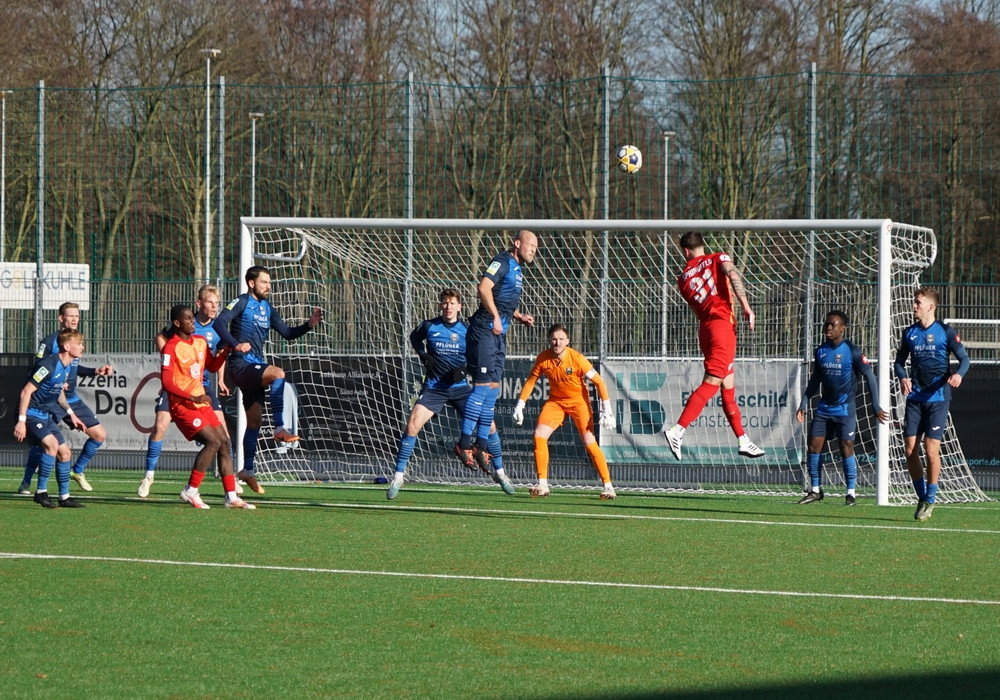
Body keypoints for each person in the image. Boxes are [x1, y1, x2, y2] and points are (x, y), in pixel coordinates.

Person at [214, 265, 324, 495]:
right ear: (251, 283)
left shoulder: (267, 308)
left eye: (270, 283)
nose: (269, 287)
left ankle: (247, 470)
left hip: (253, 367)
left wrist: (309, 325)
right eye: (264, 282)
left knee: (254, 423)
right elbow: (219, 323)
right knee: (278, 373)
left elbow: (288, 333)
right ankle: (280, 428)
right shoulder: (241, 301)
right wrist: (235, 344)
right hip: (240, 364)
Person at [386, 289, 504, 500]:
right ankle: (398, 477)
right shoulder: (430, 326)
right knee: (412, 425)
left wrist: (465, 370)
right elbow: (414, 338)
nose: (448, 307)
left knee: (490, 424)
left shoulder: (468, 330)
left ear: (459, 307)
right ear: (441, 305)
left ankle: (500, 472)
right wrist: (423, 355)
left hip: (460, 388)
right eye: (445, 303)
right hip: (434, 388)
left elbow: (477, 356)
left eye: (452, 303)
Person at [662, 231, 764, 461]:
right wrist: (746, 306)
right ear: (702, 245)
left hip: (706, 330)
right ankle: (677, 430)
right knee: (712, 382)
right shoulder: (719, 257)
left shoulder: (683, 279)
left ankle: (743, 439)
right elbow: (732, 274)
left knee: (728, 385)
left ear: (685, 251)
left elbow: (697, 308)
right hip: (722, 327)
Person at [454, 230, 538, 496]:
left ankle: (481, 446)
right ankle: (464, 444)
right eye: (531, 245)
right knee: (481, 388)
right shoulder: (501, 261)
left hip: (498, 334)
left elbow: (501, 297)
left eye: (536, 247)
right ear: (517, 243)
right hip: (484, 330)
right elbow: (484, 288)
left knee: (492, 390)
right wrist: (495, 316)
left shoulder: (517, 268)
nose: (533, 250)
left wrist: (518, 315)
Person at [137, 285, 240, 498]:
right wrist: (172, 362)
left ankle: (231, 487)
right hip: (179, 389)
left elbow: (213, 361)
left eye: (217, 303)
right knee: (160, 425)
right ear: (199, 304)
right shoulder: (181, 324)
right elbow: (161, 340)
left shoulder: (217, 329)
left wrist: (221, 374)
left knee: (223, 435)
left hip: (201, 386)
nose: (215, 307)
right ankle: (149, 476)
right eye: (210, 302)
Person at [161, 304, 253, 509]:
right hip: (183, 406)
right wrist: (192, 397)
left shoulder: (200, 342)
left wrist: (223, 354)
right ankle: (190, 490)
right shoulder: (171, 347)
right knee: (213, 441)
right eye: (187, 319)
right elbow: (166, 382)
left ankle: (231, 497)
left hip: (200, 402)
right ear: (177, 323)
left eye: (192, 318)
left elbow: (211, 366)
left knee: (224, 442)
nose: (192, 321)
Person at [17, 302, 113, 495]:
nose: (75, 319)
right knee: (44, 443)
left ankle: (76, 471)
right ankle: (26, 483)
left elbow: (73, 368)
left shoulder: (75, 342)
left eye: (77, 315)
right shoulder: (49, 342)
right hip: (52, 400)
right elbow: (38, 371)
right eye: (70, 315)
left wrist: (95, 371)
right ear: (61, 318)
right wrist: (56, 382)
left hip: (71, 399)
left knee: (99, 435)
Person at [512, 323, 618, 500]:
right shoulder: (543, 358)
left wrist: (607, 409)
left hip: (579, 403)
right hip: (556, 403)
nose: (557, 342)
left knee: (589, 441)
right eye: (554, 339)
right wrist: (520, 405)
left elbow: (599, 382)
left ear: (567, 341)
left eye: (561, 339)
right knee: (539, 435)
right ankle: (542, 484)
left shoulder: (577, 358)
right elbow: (531, 381)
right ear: (549, 340)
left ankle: (608, 486)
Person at [795, 311, 889, 506]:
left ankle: (851, 493)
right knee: (813, 445)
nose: (828, 328)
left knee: (846, 447)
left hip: (845, 409)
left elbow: (870, 376)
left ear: (842, 328)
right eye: (827, 324)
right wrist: (804, 401)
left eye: (833, 324)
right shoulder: (821, 351)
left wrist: (876, 405)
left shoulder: (852, 351)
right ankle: (815, 490)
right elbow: (815, 379)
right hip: (824, 408)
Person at [894, 287, 970, 521]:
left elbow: (964, 359)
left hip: (938, 399)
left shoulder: (945, 332)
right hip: (915, 399)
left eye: (918, 302)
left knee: (930, 449)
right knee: (909, 450)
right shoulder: (909, 333)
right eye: (914, 302)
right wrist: (903, 377)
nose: (914, 305)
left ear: (930, 306)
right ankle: (922, 498)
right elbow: (899, 362)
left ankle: (931, 498)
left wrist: (959, 375)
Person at [14, 328, 89, 508]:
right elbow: (26, 391)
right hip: (31, 414)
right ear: (66, 346)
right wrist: (21, 421)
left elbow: (58, 392)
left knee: (65, 453)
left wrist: (72, 414)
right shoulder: (48, 365)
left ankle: (64, 497)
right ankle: (41, 492)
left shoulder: (66, 366)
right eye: (79, 344)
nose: (82, 347)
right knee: (52, 445)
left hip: (44, 415)